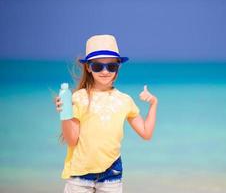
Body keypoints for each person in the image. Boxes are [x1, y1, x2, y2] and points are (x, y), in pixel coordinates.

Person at [54, 34, 158, 193]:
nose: (105, 71)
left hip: (112, 173)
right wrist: (65, 114)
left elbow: (146, 133)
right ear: (88, 67)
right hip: (79, 175)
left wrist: (153, 104)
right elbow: (72, 140)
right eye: (97, 66)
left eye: (111, 66)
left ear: (118, 67)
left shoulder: (125, 100)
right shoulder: (78, 98)